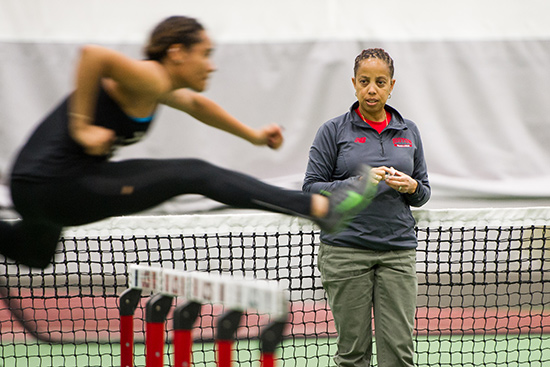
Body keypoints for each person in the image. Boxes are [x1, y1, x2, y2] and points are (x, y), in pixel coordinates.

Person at [0, 16, 375, 269]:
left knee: (33, 254)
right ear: (177, 53)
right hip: (50, 185)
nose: (211, 65)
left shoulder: (158, 85)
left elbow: (196, 104)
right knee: (192, 173)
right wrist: (81, 126)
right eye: (206, 54)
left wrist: (254, 135)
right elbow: (92, 55)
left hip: (39, 191)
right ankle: (320, 208)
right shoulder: (149, 76)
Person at [303, 48, 430, 367]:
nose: (371, 89)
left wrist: (412, 186)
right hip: (345, 253)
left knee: (399, 353)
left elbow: (423, 191)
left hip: (398, 253)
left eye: (380, 82)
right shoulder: (333, 131)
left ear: (391, 85)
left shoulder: (409, 131)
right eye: (364, 81)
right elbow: (310, 188)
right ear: (354, 83)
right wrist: (356, 184)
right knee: (353, 354)